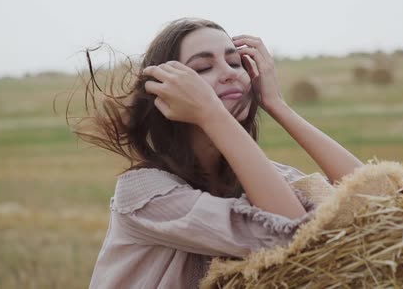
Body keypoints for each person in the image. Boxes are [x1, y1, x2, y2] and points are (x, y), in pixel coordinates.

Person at [75, 18, 363, 288]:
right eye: (202, 69)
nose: (229, 73)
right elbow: (294, 237)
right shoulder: (146, 195)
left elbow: (375, 203)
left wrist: (277, 105)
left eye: (236, 62)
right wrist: (212, 114)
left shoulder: (260, 178)